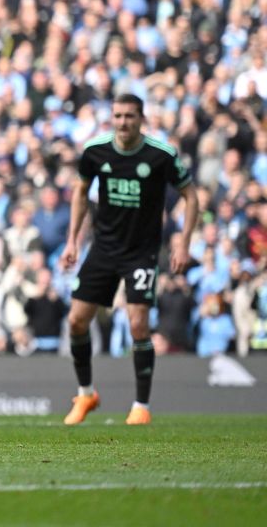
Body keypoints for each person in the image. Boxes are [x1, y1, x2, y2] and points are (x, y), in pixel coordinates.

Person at [60, 94, 197, 426]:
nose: (123, 122)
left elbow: (191, 196)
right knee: (77, 321)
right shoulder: (95, 151)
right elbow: (80, 191)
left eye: (129, 116)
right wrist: (72, 240)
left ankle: (141, 406)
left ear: (141, 118)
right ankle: (86, 393)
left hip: (142, 251)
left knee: (137, 324)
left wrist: (183, 243)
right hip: (103, 248)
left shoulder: (161, 155)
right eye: (118, 116)